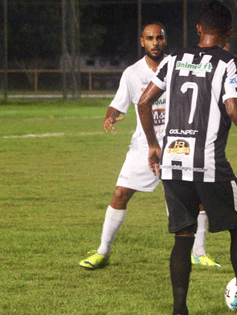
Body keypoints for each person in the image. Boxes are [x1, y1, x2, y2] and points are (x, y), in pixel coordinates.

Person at [137, 0, 237, 315]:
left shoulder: (173, 58)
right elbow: (233, 108)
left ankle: (179, 312)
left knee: (183, 235)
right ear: (229, 32)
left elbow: (144, 102)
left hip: (173, 158)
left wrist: (153, 145)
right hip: (208, 162)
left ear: (199, 29)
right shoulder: (231, 62)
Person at [79, 22, 220, 270]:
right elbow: (118, 104)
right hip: (144, 146)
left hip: (178, 145)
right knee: (120, 194)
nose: (155, 42)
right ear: (142, 42)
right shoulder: (132, 74)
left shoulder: (179, 66)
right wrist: (109, 116)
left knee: (195, 199)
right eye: (150, 38)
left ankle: (198, 252)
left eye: (160, 38)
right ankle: (103, 250)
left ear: (166, 40)